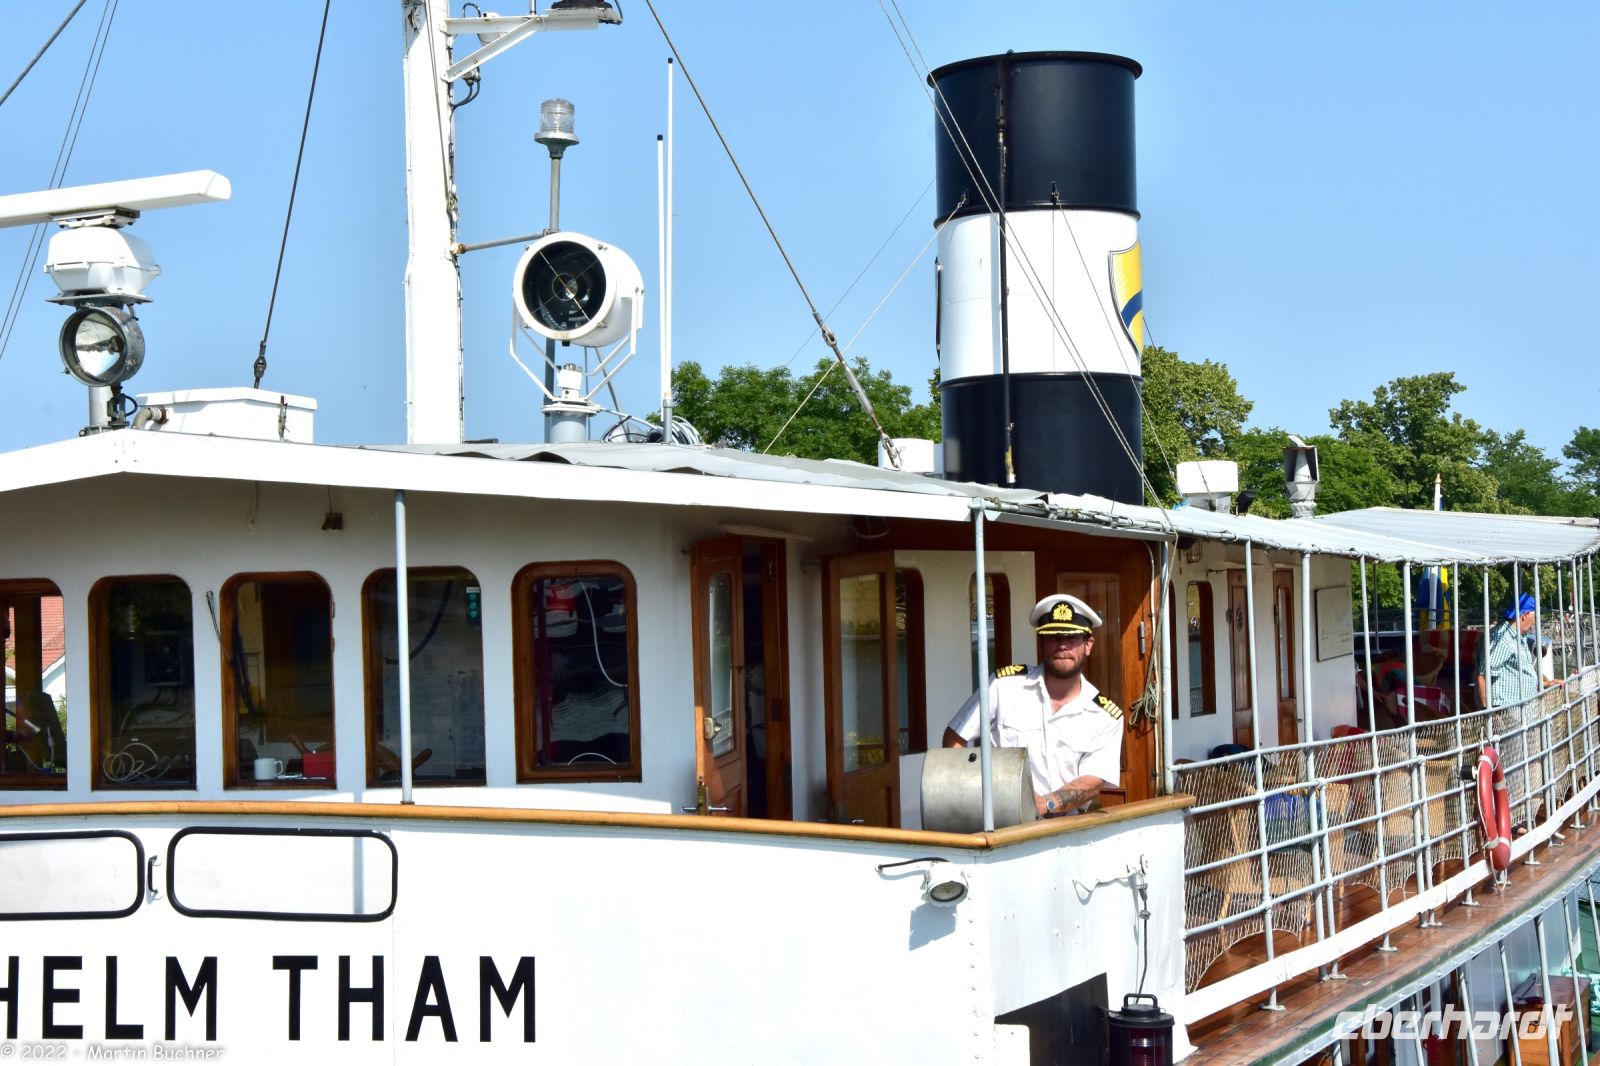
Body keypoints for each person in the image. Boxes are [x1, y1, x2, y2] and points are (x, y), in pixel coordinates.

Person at [943, 593, 1123, 817]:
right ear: (1041, 644)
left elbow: (1093, 780)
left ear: (1088, 645)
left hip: (1069, 827)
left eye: (1072, 637)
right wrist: (981, 795)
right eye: (1054, 637)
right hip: (1003, 822)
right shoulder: (1003, 687)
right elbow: (955, 738)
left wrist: (1045, 804)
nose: (1063, 645)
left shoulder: (1105, 716)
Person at [1477, 592, 1558, 708]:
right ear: (1525, 615)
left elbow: (1521, 671)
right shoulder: (1502, 638)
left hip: (1521, 710)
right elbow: (1483, 677)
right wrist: (1489, 712)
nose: (1535, 621)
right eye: (1535, 617)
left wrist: (1545, 684)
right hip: (1507, 711)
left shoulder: (1518, 636)